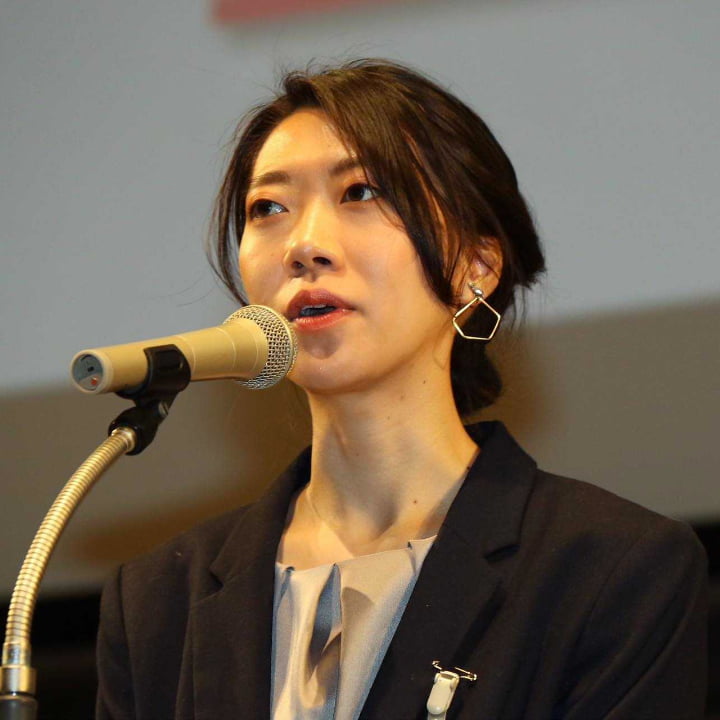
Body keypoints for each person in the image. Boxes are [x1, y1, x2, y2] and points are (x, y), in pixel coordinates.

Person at [96, 59, 707, 719]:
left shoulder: (610, 571)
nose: (304, 245)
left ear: (476, 266)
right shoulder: (158, 603)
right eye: (268, 208)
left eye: (360, 192)